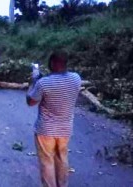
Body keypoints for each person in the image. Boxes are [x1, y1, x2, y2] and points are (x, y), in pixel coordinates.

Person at [26, 50, 81, 187]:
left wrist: (33, 82)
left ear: (52, 63)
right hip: (65, 129)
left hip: (46, 130)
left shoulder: (43, 83)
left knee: (47, 161)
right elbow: (60, 85)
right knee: (62, 158)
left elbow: (31, 102)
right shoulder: (76, 78)